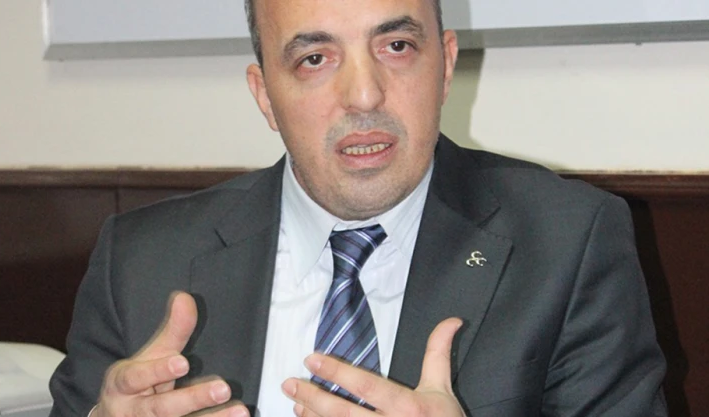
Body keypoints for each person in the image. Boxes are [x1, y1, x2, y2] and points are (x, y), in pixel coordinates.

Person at [49, 0, 668, 415]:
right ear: (264, 95)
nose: (365, 94)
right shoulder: (141, 260)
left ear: (446, 66)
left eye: (396, 46)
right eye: (315, 59)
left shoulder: (567, 242)